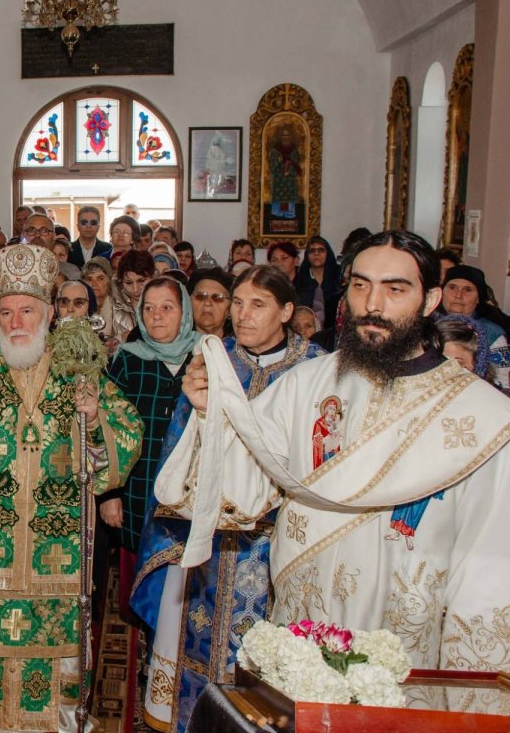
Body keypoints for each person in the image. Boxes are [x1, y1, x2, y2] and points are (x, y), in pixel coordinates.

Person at [157, 231, 510, 708]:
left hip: (405, 650)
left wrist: (470, 707)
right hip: (303, 635)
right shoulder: (307, 384)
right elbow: (241, 490)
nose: (372, 303)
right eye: (360, 285)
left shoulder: (482, 421)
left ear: (430, 300)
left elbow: (487, 579)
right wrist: (214, 415)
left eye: (395, 289)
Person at [0, 244, 143, 732]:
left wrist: (95, 416)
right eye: (5, 311)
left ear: (48, 313)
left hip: (55, 545)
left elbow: (124, 439)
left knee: (56, 650)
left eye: (27, 310)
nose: (15, 321)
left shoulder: (75, 362)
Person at [133, 265, 323, 732]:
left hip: (280, 543)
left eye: (257, 304)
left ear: (285, 311)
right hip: (211, 540)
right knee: (200, 640)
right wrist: (197, 415)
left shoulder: (316, 369)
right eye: (237, 303)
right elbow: (178, 445)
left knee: (274, 655)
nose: (242, 314)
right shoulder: (213, 359)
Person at [105, 277, 198, 607]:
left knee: (183, 585)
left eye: (167, 307)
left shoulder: (205, 356)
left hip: (190, 491)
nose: (157, 315)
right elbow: (106, 429)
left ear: (184, 312)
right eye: (149, 308)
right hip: (137, 487)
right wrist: (109, 493)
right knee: (140, 583)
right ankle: (144, 644)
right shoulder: (129, 360)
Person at [439, 264, 510, 387]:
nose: (458, 295)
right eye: (452, 287)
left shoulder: (492, 334)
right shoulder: (426, 327)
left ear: (478, 298)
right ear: (441, 292)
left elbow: (503, 383)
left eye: (467, 290)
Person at [294, 235, 342, 329]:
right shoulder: (300, 279)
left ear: (328, 253)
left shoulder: (338, 274)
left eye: (321, 250)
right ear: (307, 255)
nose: (316, 253)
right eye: (312, 251)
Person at [188, 267, 232, 339]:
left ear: (230, 310)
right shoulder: (175, 347)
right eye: (200, 296)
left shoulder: (242, 346)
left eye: (217, 298)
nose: (207, 303)